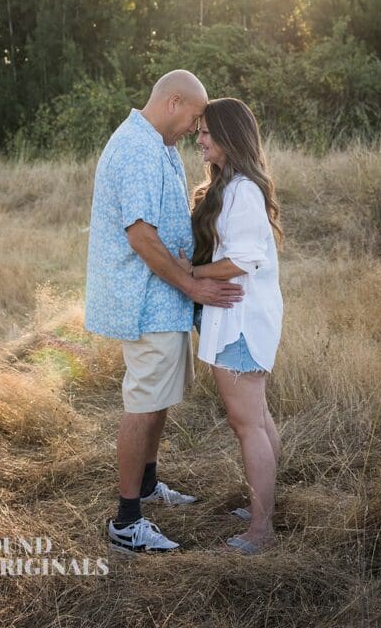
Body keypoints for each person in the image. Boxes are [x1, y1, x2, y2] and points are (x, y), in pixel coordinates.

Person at [84, 70, 244, 554]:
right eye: (194, 118)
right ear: (173, 102)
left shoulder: (160, 145)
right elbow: (141, 237)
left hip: (162, 301)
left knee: (159, 400)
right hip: (144, 301)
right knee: (143, 404)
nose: (196, 130)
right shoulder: (136, 148)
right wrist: (193, 285)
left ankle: (148, 485)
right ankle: (126, 521)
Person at [183, 98, 283, 555]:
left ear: (228, 136)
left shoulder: (243, 190)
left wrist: (191, 273)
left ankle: (261, 531)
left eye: (206, 132)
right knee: (256, 419)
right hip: (238, 318)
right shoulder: (232, 186)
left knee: (248, 425)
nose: (199, 139)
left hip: (241, 323)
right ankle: (264, 507)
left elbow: (243, 259)